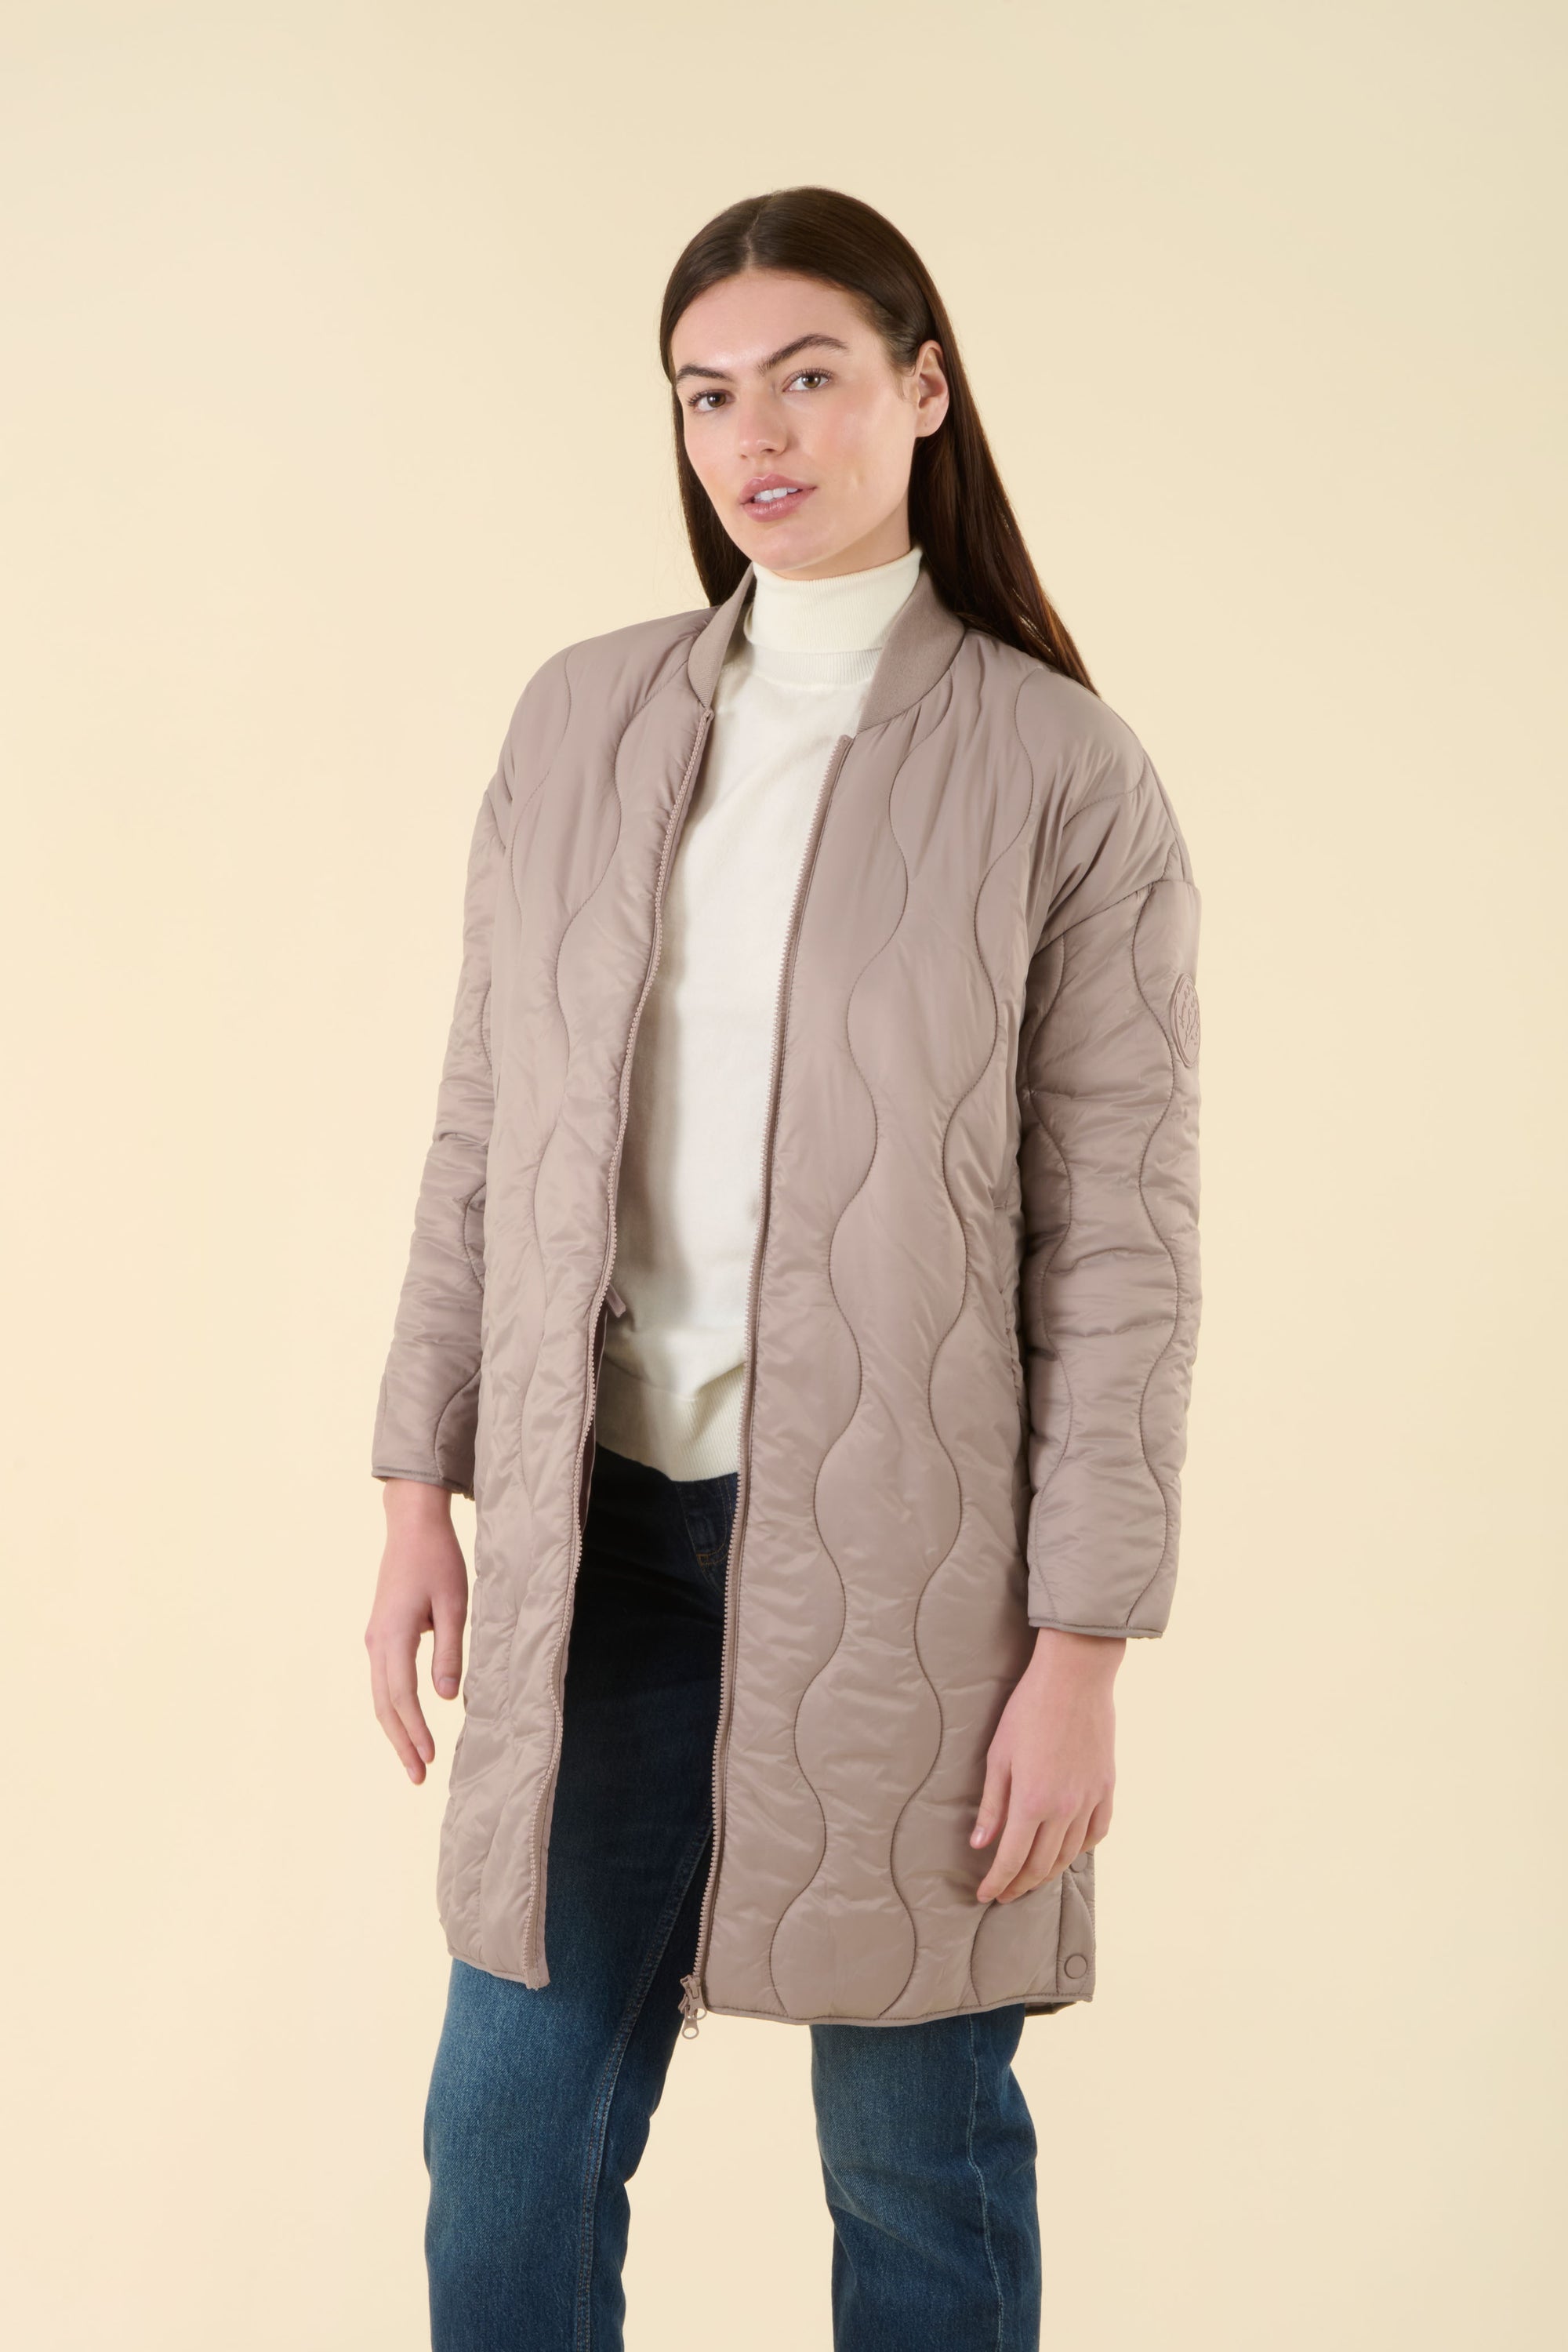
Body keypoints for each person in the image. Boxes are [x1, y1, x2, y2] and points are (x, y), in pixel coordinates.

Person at [365, 184, 1203, 2352]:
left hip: (921, 1574)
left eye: (809, 377)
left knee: (914, 2160)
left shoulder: (1061, 773)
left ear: (923, 392)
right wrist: (418, 1486)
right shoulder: (578, 724)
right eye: (707, 394)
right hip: (602, 1547)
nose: (757, 433)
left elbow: (1121, 1244)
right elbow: (484, 1130)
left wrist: (1084, 1647)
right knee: (505, 2136)